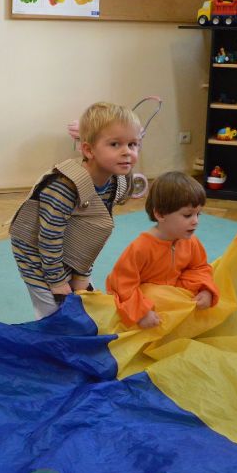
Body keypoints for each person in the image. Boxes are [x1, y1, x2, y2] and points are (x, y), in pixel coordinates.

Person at [10, 102, 141, 319]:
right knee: (54, 315)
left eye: (133, 144)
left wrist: (81, 275)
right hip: (36, 253)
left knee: (86, 306)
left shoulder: (114, 181)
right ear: (88, 150)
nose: (127, 152)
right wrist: (57, 282)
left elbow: (93, 230)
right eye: (115, 144)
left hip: (70, 246)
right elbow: (49, 237)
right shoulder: (64, 187)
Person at [106, 171, 218, 329]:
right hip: (148, 305)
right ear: (160, 214)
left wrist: (205, 290)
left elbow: (199, 268)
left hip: (173, 298)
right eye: (187, 215)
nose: (195, 221)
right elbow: (122, 283)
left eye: (198, 214)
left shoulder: (191, 242)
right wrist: (141, 312)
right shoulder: (141, 247)